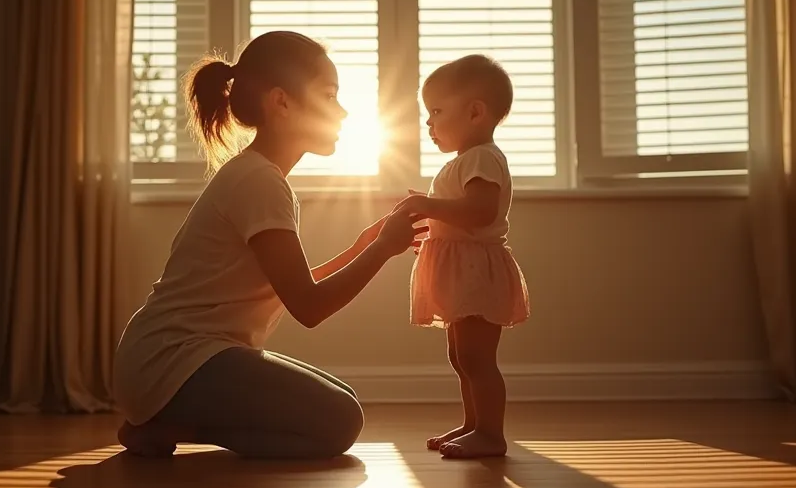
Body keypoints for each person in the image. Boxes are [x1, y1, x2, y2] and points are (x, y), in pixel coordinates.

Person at [113, 31, 426, 460]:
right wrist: (382, 250)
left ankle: (162, 420)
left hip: (174, 360)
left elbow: (286, 286)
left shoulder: (260, 176)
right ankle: (167, 421)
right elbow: (308, 306)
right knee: (340, 421)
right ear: (281, 102)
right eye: (330, 96)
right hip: (172, 363)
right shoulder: (260, 182)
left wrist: (361, 247)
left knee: (341, 399)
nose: (343, 111)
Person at [396, 55, 531, 459]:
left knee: (476, 356)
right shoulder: (464, 161)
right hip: (463, 268)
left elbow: (480, 211)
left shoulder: (482, 158)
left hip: (476, 271)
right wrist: (435, 229)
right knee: (461, 355)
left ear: (475, 112)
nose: (428, 123)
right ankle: (474, 424)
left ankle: (491, 434)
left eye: (436, 111)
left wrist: (429, 206)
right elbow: (461, 215)